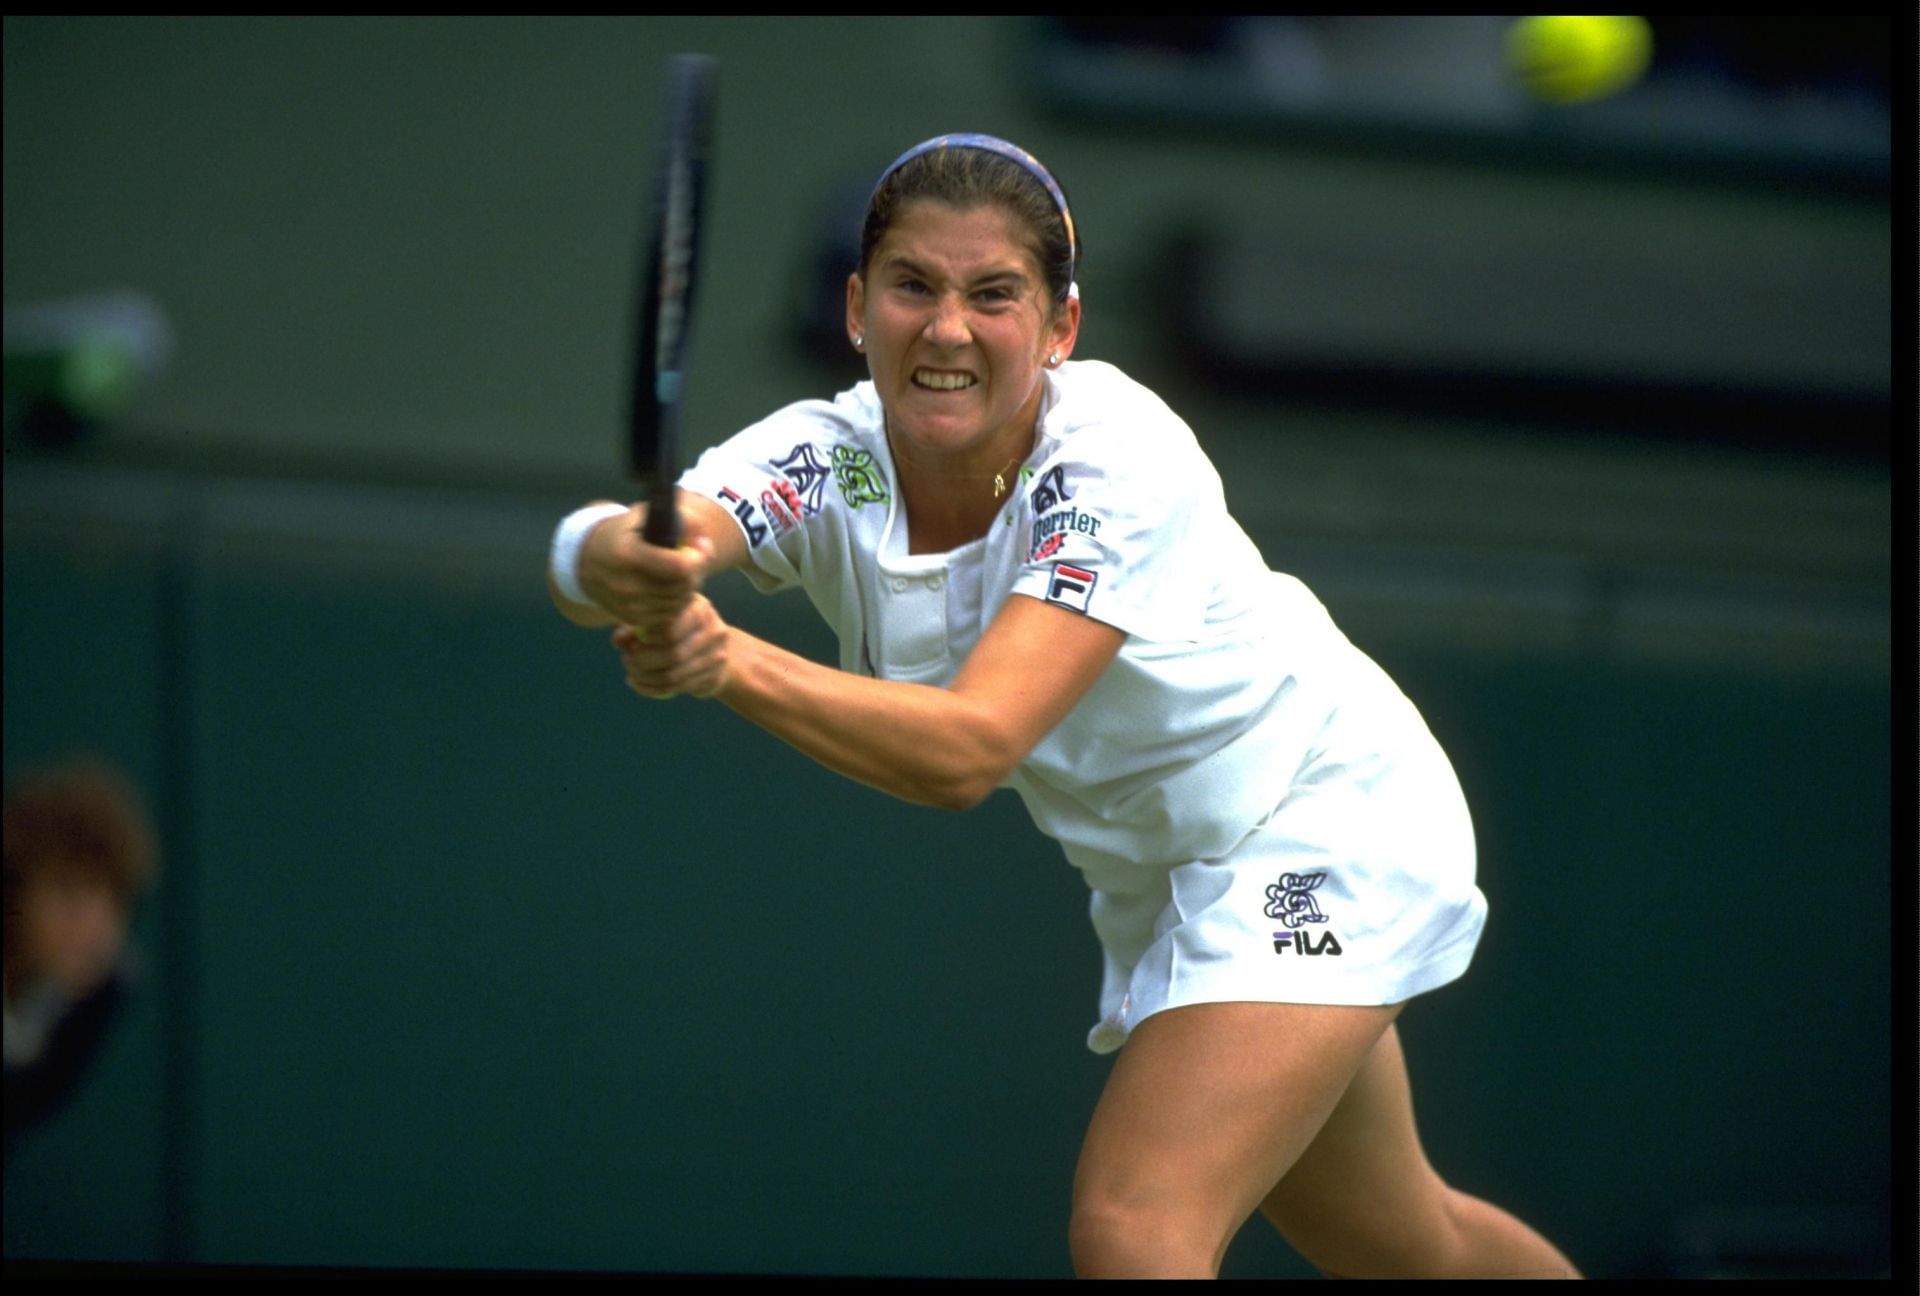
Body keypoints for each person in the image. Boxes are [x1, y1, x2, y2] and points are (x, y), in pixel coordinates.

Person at [546, 133, 1579, 1279]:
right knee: (1405, 1244)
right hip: (1167, 876)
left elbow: (971, 749)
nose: (946, 330)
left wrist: (719, 659)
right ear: (857, 307)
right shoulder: (830, 459)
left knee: (1137, 1225)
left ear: (1059, 328)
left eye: (994, 296)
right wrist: (618, 558)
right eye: (912, 287)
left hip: (1322, 822)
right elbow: (654, 536)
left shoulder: (1117, 466)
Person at [3, 759, 157, 1144]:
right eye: (69, 892)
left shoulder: (107, 985)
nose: (95, 928)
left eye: (114, 901)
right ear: (14, 893)